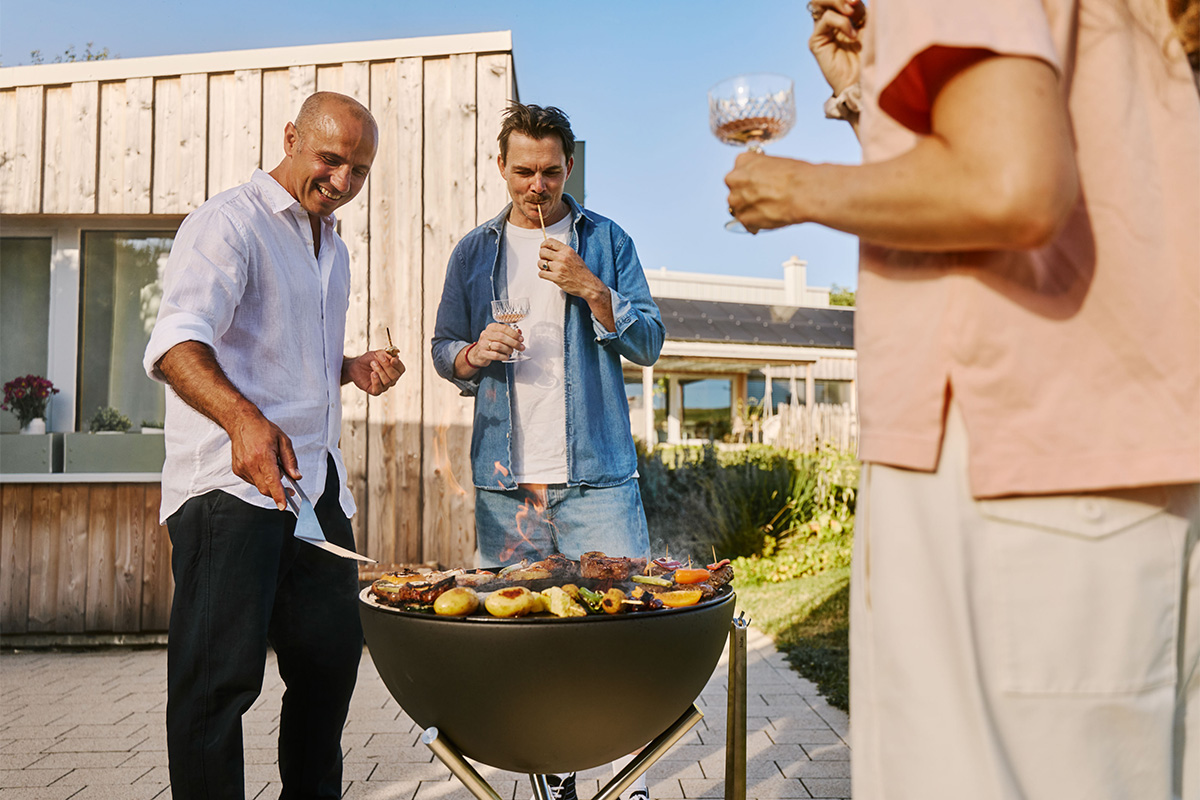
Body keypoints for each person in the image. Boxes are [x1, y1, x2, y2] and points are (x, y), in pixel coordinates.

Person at [725, 0, 1199, 798]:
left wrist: (796, 189)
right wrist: (875, 94)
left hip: (1007, 464)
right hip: (1109, 458)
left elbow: (1010, 186)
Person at [143, 91, 404, 799]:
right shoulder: (229, 224)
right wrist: (241, 420)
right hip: (229, 492)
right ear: (291, 138)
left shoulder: (333, 248)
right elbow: (176, 345)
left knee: (329, 667)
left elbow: (282, 356)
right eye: (330, 160)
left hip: (315, 491)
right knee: (215, 687)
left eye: (359, 169)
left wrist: (347, 369)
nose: (343, 181)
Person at [431, 102, 664, 800]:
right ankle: (551, 779)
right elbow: (444, 350)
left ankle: (635, 784)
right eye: (524, 172)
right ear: (500, 167)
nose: (538, 187)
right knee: (523, 642)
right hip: (509, 490)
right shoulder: (475, 251)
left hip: (599, 481)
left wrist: (591, 288)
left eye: (552, 173)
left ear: (571, 167)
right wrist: (474, 352)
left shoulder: (606, 239)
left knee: (627, 633)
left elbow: (649, 341)